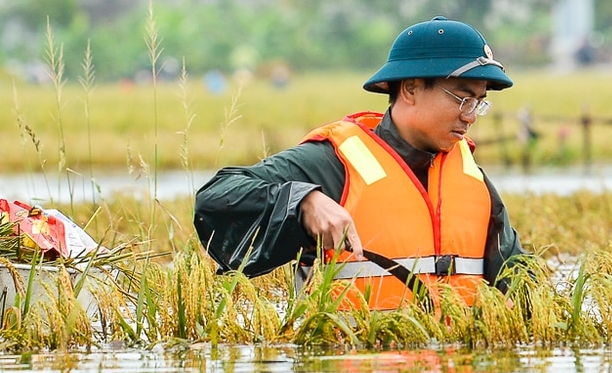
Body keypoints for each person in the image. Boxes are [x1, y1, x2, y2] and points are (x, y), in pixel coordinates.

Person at [193, 17, 525, 307]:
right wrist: (303, 201)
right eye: (463, 99)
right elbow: (216, 195)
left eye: (479, 103)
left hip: (457, 371)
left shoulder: (471, 179)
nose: (471, 117)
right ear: (410, 89)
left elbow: (521, 279)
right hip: (349, 371)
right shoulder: (333, 161)